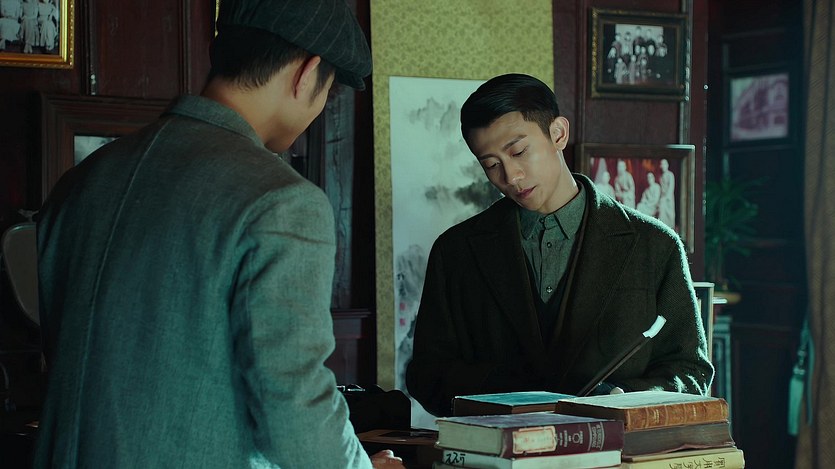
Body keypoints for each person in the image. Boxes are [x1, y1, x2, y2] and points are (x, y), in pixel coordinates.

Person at [34, 0, 403, 467]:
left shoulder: (81, 181)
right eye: (327, 93)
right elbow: (293, 404)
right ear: (306, 74)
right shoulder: (280, 199)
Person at [405, 73, 713, 417]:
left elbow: (690, 372)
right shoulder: (456, 251)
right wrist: (509, 389)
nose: (510, 176)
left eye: (519, 152)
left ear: (558, 134)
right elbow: (427, 376)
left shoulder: (654, 246)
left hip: (616, 444)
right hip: (498, 445)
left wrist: (622, 399)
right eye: (491, 165)